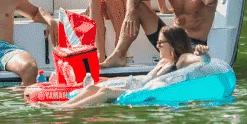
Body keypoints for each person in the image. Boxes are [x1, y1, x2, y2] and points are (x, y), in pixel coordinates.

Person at [60, 27, 206, 110]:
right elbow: (144, 79)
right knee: (93, 88)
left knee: (105, 92)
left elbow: (200, 60)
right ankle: (61, 106)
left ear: (173, 43)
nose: (157, 46)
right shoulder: (163, 61)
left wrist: (201, 53)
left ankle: (67, 110)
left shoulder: (181, 60)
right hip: (138, 88)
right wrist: (116, 80)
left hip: (144, 94)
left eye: (161, 43)